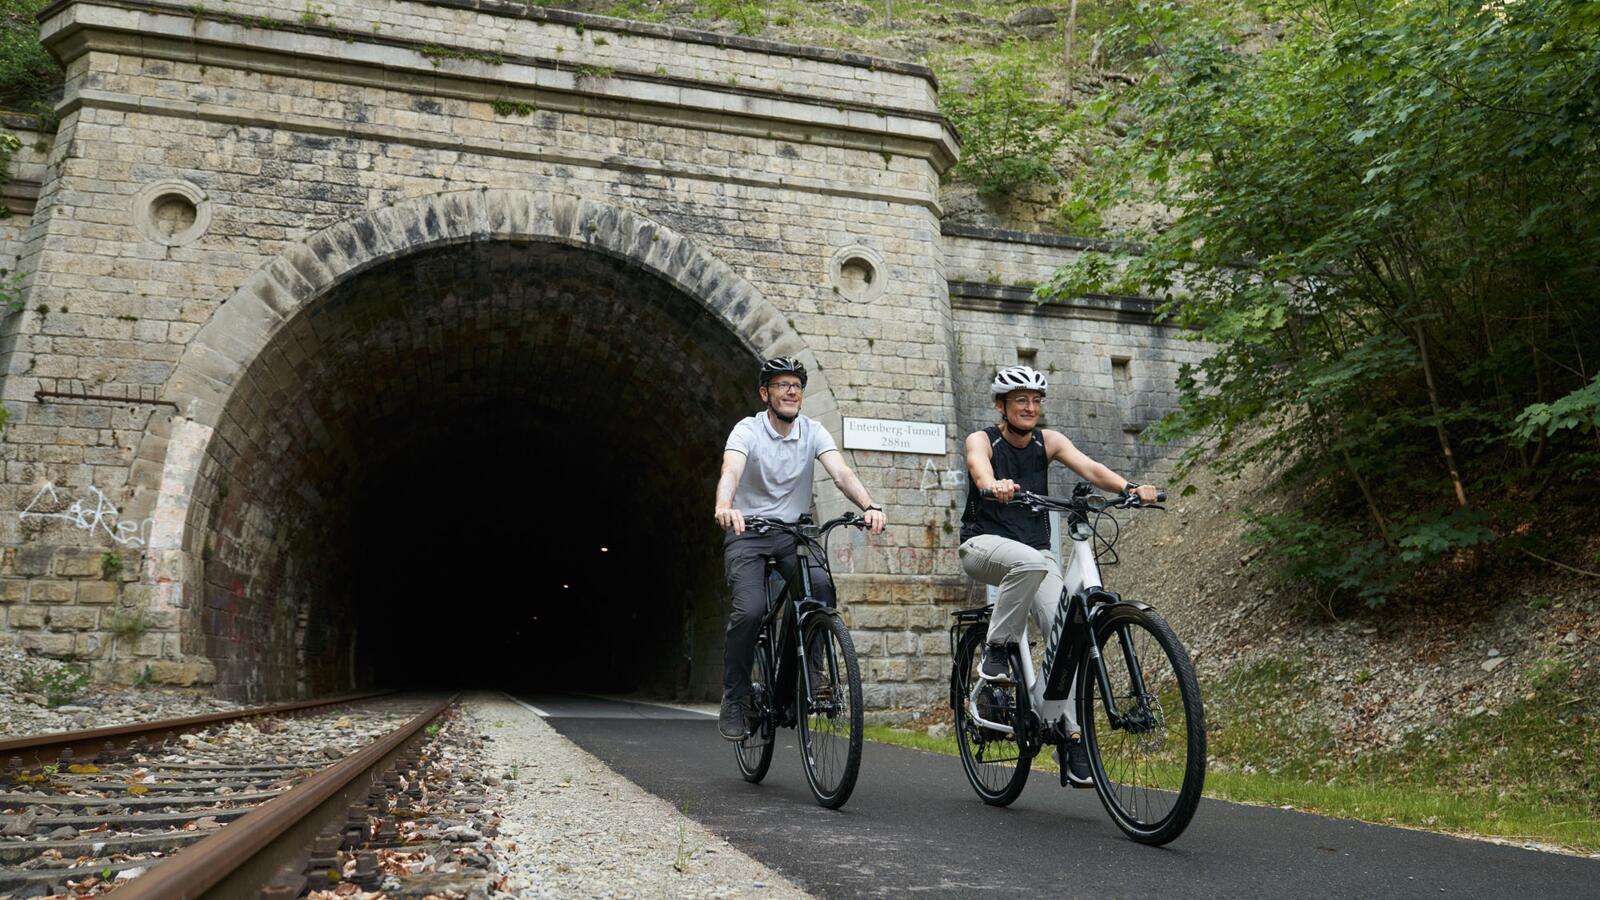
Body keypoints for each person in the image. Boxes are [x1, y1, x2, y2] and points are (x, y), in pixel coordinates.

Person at [958, 364, 1160, 782]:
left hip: (1035, 554)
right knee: (1031, 563)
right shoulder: (982, 439)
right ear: (1001, 406)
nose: (1030, 407)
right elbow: (980, 469)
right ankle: (997, 649)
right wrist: (994, 484)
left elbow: (1091, 468)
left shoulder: (1048, 442)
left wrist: (1128, 489)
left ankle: (1069, 733)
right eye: (1020, 400)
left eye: (1035, 401)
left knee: (1066, 632)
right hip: (983, 546)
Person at [713, 357, 887, 740]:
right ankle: (735, 697)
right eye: (782, 385)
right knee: (750, 610)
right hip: (748, 532)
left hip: (792, 533)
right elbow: (732, 470)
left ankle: (810, 676)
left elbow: (841, 473)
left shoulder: (813, 431)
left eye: (797, 386)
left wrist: (869, 505)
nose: (792, 391)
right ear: (765, 394)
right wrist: (725, 506)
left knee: (820, 589)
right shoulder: (747, 430)